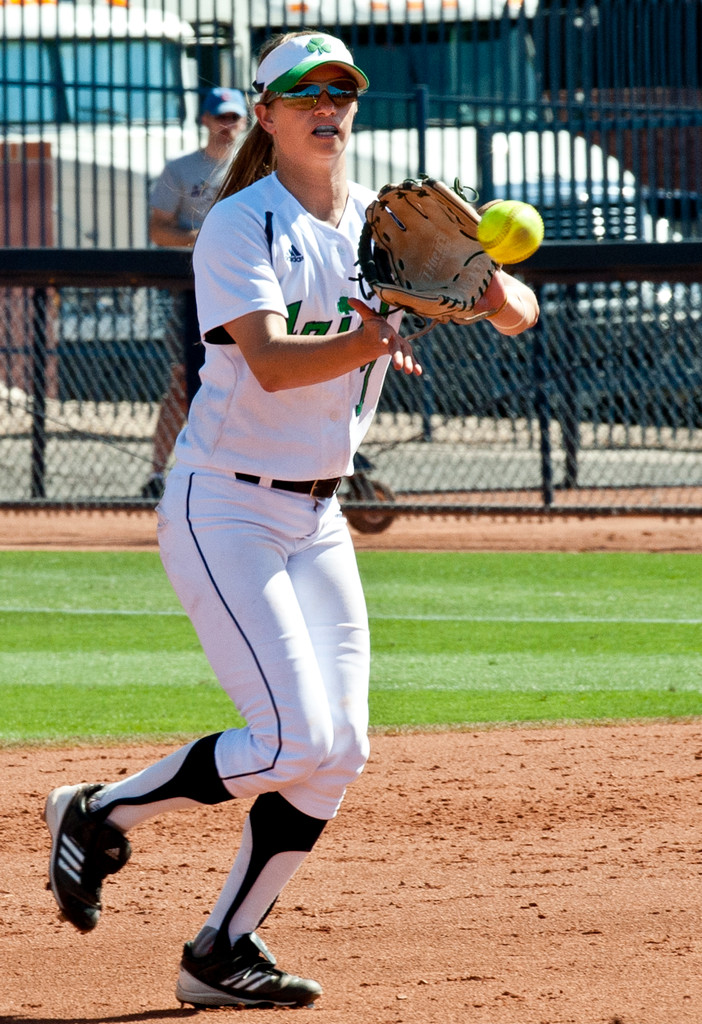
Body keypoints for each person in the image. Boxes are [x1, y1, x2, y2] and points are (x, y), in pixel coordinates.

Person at [44, 31, 539, 1011]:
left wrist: (484, 285)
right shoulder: (240, 224)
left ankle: (221, 946)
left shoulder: (386, 221)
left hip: (318, 518)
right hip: (223, 504)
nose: (329, 101)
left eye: (343, 86)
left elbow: (518, 312)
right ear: (266, 115)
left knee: (338, 749)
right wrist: (371, 334)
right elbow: (269, 360)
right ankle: (95, 811)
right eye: (304, 89)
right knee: (287, 741)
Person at [140, 87, 248, 500]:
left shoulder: (258, 166)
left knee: (254, 375)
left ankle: (236, 471)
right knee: (184, 379)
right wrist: (204, 238)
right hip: (194, 292)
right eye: (220, 117)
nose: (228, 126)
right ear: (204, 120)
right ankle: (155, 473)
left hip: (246, 289)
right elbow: (157, 229)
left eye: (234, 118)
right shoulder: (181, 170)